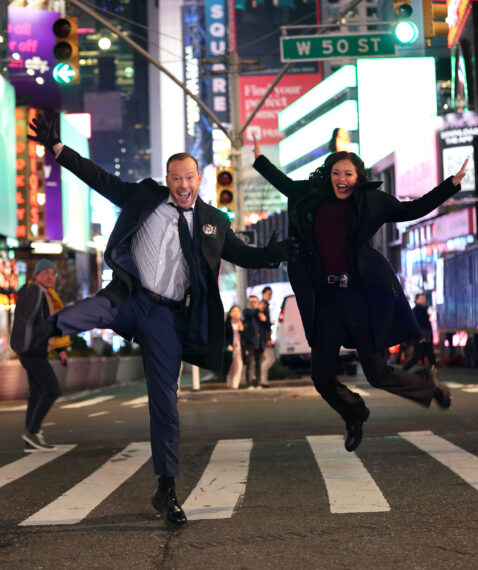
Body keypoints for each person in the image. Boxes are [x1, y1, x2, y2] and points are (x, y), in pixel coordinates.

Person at [26, 115, 297, 527]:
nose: (183, 185)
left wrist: (279, 251)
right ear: (167, 180)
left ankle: (166, 490)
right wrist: (58, 149)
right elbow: (100, 178)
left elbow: (248, 255)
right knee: (95, 309)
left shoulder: (214, 223)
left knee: (165, 405)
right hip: (133, 297)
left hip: (168, 319)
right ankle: (41, 331)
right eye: (176, 178)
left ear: (199, 180)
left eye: (189, 177)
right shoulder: (144, 197)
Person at [252, 134, 468, 452]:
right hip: (325, 299)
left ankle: (426, 385)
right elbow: (281, 181)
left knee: (377, 373)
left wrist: (451, 185)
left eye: (348, 174)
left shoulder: (371, 202)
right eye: (336, 173)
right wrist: (259, 160)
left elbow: (414, 209)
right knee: (322, 376)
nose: (342, 179)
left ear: (358, 177)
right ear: (328, 176)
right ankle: (354, 413)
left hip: (360, 296)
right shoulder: (308, 196)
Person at [10, 259, 70, 452]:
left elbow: (43, 324)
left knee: (36, 393)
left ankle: (31, 439)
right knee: (52, 389)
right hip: (31, 351)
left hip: (35, 350)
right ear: (35, 275)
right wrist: (57, 328)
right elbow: (31, 323)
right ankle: (33, 431)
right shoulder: (32, 292)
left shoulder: (45, 295)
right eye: (45, 272)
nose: (50, 276)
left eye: (53, 273)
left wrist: (59, 350)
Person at [242, 295, 270, 389]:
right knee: (250, 363)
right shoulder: (247, 311)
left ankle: (258, 383)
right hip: (250, 342)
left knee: (259, 364)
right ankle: (249, 384)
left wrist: (265, 320)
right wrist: (258, 310)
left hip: (260, 342)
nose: (253, 304)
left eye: (255, 302)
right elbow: (249, 315)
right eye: (251, 302)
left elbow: (267, 326)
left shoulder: (261, 313)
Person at [403, 293, 436, 370]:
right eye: (421, 299)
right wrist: (420, 337)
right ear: (416, 300)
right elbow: (416, 325)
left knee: (431, 357)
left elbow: (427, 326)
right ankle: (404, 371)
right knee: (417, 357)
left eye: (424, 299)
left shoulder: (424, 310)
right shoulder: (416, 310)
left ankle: (433, 375)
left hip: (426, 337)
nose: (423, 300)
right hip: (420, 338)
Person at [223, 305, 246, 389]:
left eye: (238, 311)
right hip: (229, 348)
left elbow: (245, 337)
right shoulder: (226, 324)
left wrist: (242, 331)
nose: (236, 313)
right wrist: (227, 345)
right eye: (234, 311)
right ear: (230, 313)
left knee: (239, 366)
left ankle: (234, 386)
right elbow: (223, 337)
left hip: (239, 348)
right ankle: (229, 384)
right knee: (230, 367)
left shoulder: (242, 323)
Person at [259, 286, 274, 387]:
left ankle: (263, 381)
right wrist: (268, 338)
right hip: (263, 338)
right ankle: (262, 381)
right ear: (263, 294)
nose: (270, 296)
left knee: (266, 359)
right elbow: (263, 325)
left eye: (271, 294)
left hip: (264, 337)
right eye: (268, 294)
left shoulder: (266, 306)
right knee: (270, 359)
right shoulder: (262, 306)